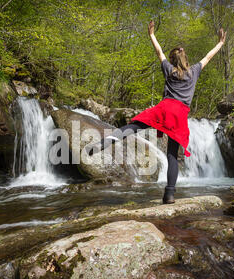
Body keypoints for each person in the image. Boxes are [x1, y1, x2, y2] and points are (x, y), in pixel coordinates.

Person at [86, 21, 226, 204]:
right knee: (172, 155)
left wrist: (152, 35)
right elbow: (208, 57)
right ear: (186, 59)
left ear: (172, 60)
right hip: (179, 115)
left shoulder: (169, 70)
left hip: (163, 108)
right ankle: (169, 194)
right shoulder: (194, 71)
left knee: (133, 126)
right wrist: (220, 43)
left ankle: (104, 143)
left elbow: (159, 53)